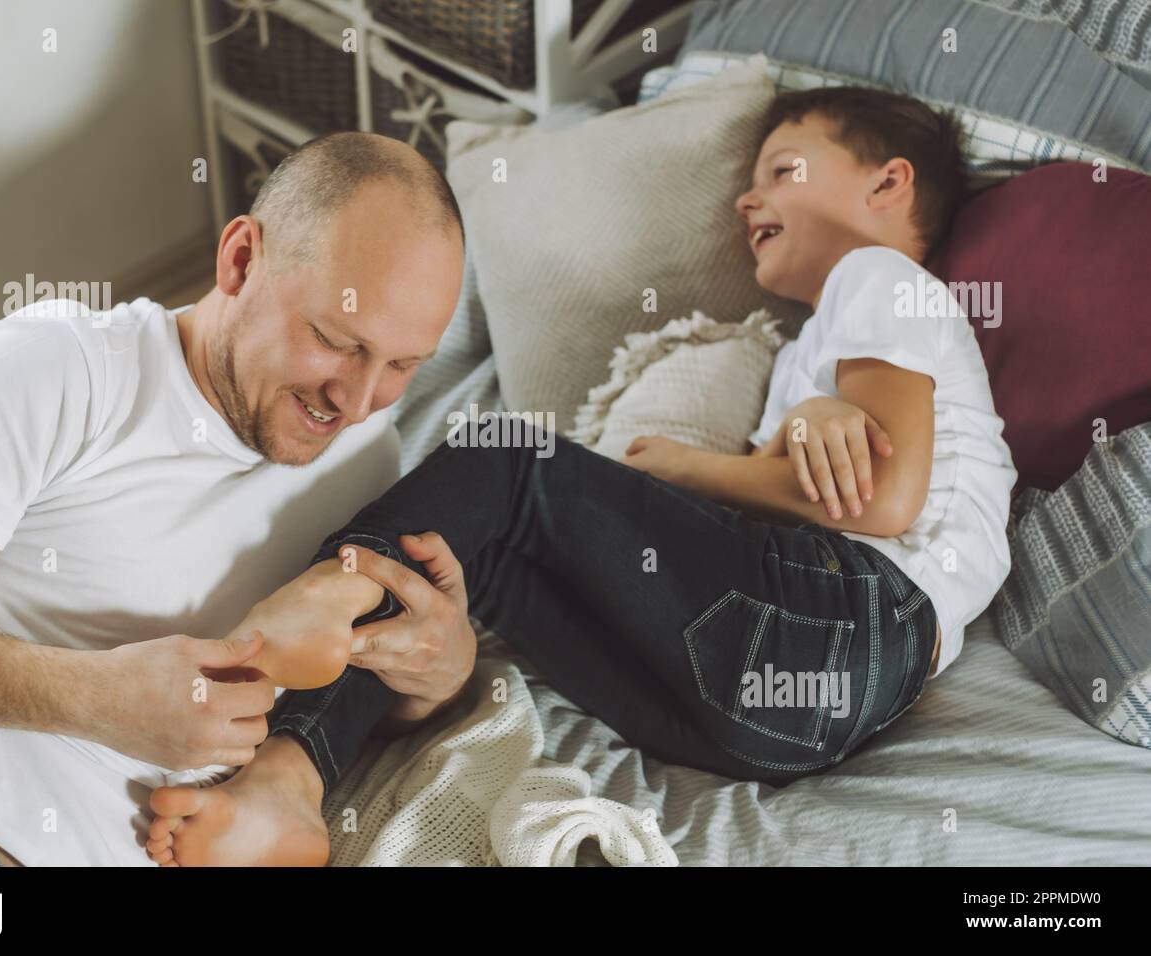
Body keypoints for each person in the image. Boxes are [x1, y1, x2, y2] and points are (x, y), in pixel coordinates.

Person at [144, 87, 1017, 866]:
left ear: (890, 185)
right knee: (465, 569)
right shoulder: (809, 346)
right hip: (789, 719)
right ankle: (292, 779)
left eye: (785, 170)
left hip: (845, 620)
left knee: (501, 457)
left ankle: (319, 602)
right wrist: (785, 437)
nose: (749, 198)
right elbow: (831, 489)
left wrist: (694, 469)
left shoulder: (879, 275)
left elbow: (885, 499)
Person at [0, 132, 476, 866]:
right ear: (241, 261)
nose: (359, 399)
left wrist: (438, 679)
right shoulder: (57, 374)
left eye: (402, 364)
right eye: (336, 339)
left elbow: (340, 696)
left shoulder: (368, 460)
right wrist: (91, 698)